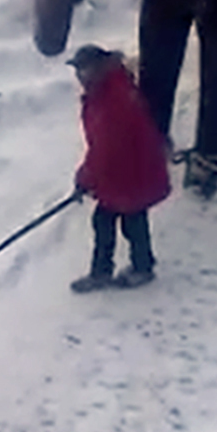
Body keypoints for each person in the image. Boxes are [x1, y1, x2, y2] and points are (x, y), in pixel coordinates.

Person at [68, 45, 171, 291]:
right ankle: (127, 267)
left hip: (130, 175)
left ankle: (136, 269)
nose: (79, 75)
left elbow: (105, 149)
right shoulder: (109, 89)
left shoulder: (112, 99)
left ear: (97, 68)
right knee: (115, 221)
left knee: (126, 221)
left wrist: (85, 178)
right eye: (77, 70)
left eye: (83, 69)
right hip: (125, 174)